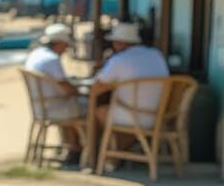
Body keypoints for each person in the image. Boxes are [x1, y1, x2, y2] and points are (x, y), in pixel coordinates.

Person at [92, 21, 170, 138]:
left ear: (119, 43)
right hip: (159, 117)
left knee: (99, 111)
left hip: (132, 118)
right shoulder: (157, 55)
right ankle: (133, 146)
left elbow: (95, 89)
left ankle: (109, 147)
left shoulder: (119, 60)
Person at [23, 23, 84, 164]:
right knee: (89, 109)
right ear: (60, 44)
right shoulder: (52, 59)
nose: (66, 49)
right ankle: (81, 150)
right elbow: (68, 89)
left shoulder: (36, 54)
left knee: (74, 105)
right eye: (66, 46)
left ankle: (71, 147)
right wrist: (81, 90)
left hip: (41, 106)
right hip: (54, 107)